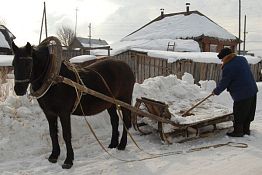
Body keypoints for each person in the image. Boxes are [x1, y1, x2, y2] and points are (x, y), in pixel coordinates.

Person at [213, 48, 258, 137]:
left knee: (239, 112)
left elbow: (225, 82)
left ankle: (238, 132)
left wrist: (216, 91)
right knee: (248, 111)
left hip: (241, 93)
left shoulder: (228, 67)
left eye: (222, 59)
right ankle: (246, 130)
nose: (222, 61)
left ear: (226, 57)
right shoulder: (242, 59)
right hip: (252, 90)